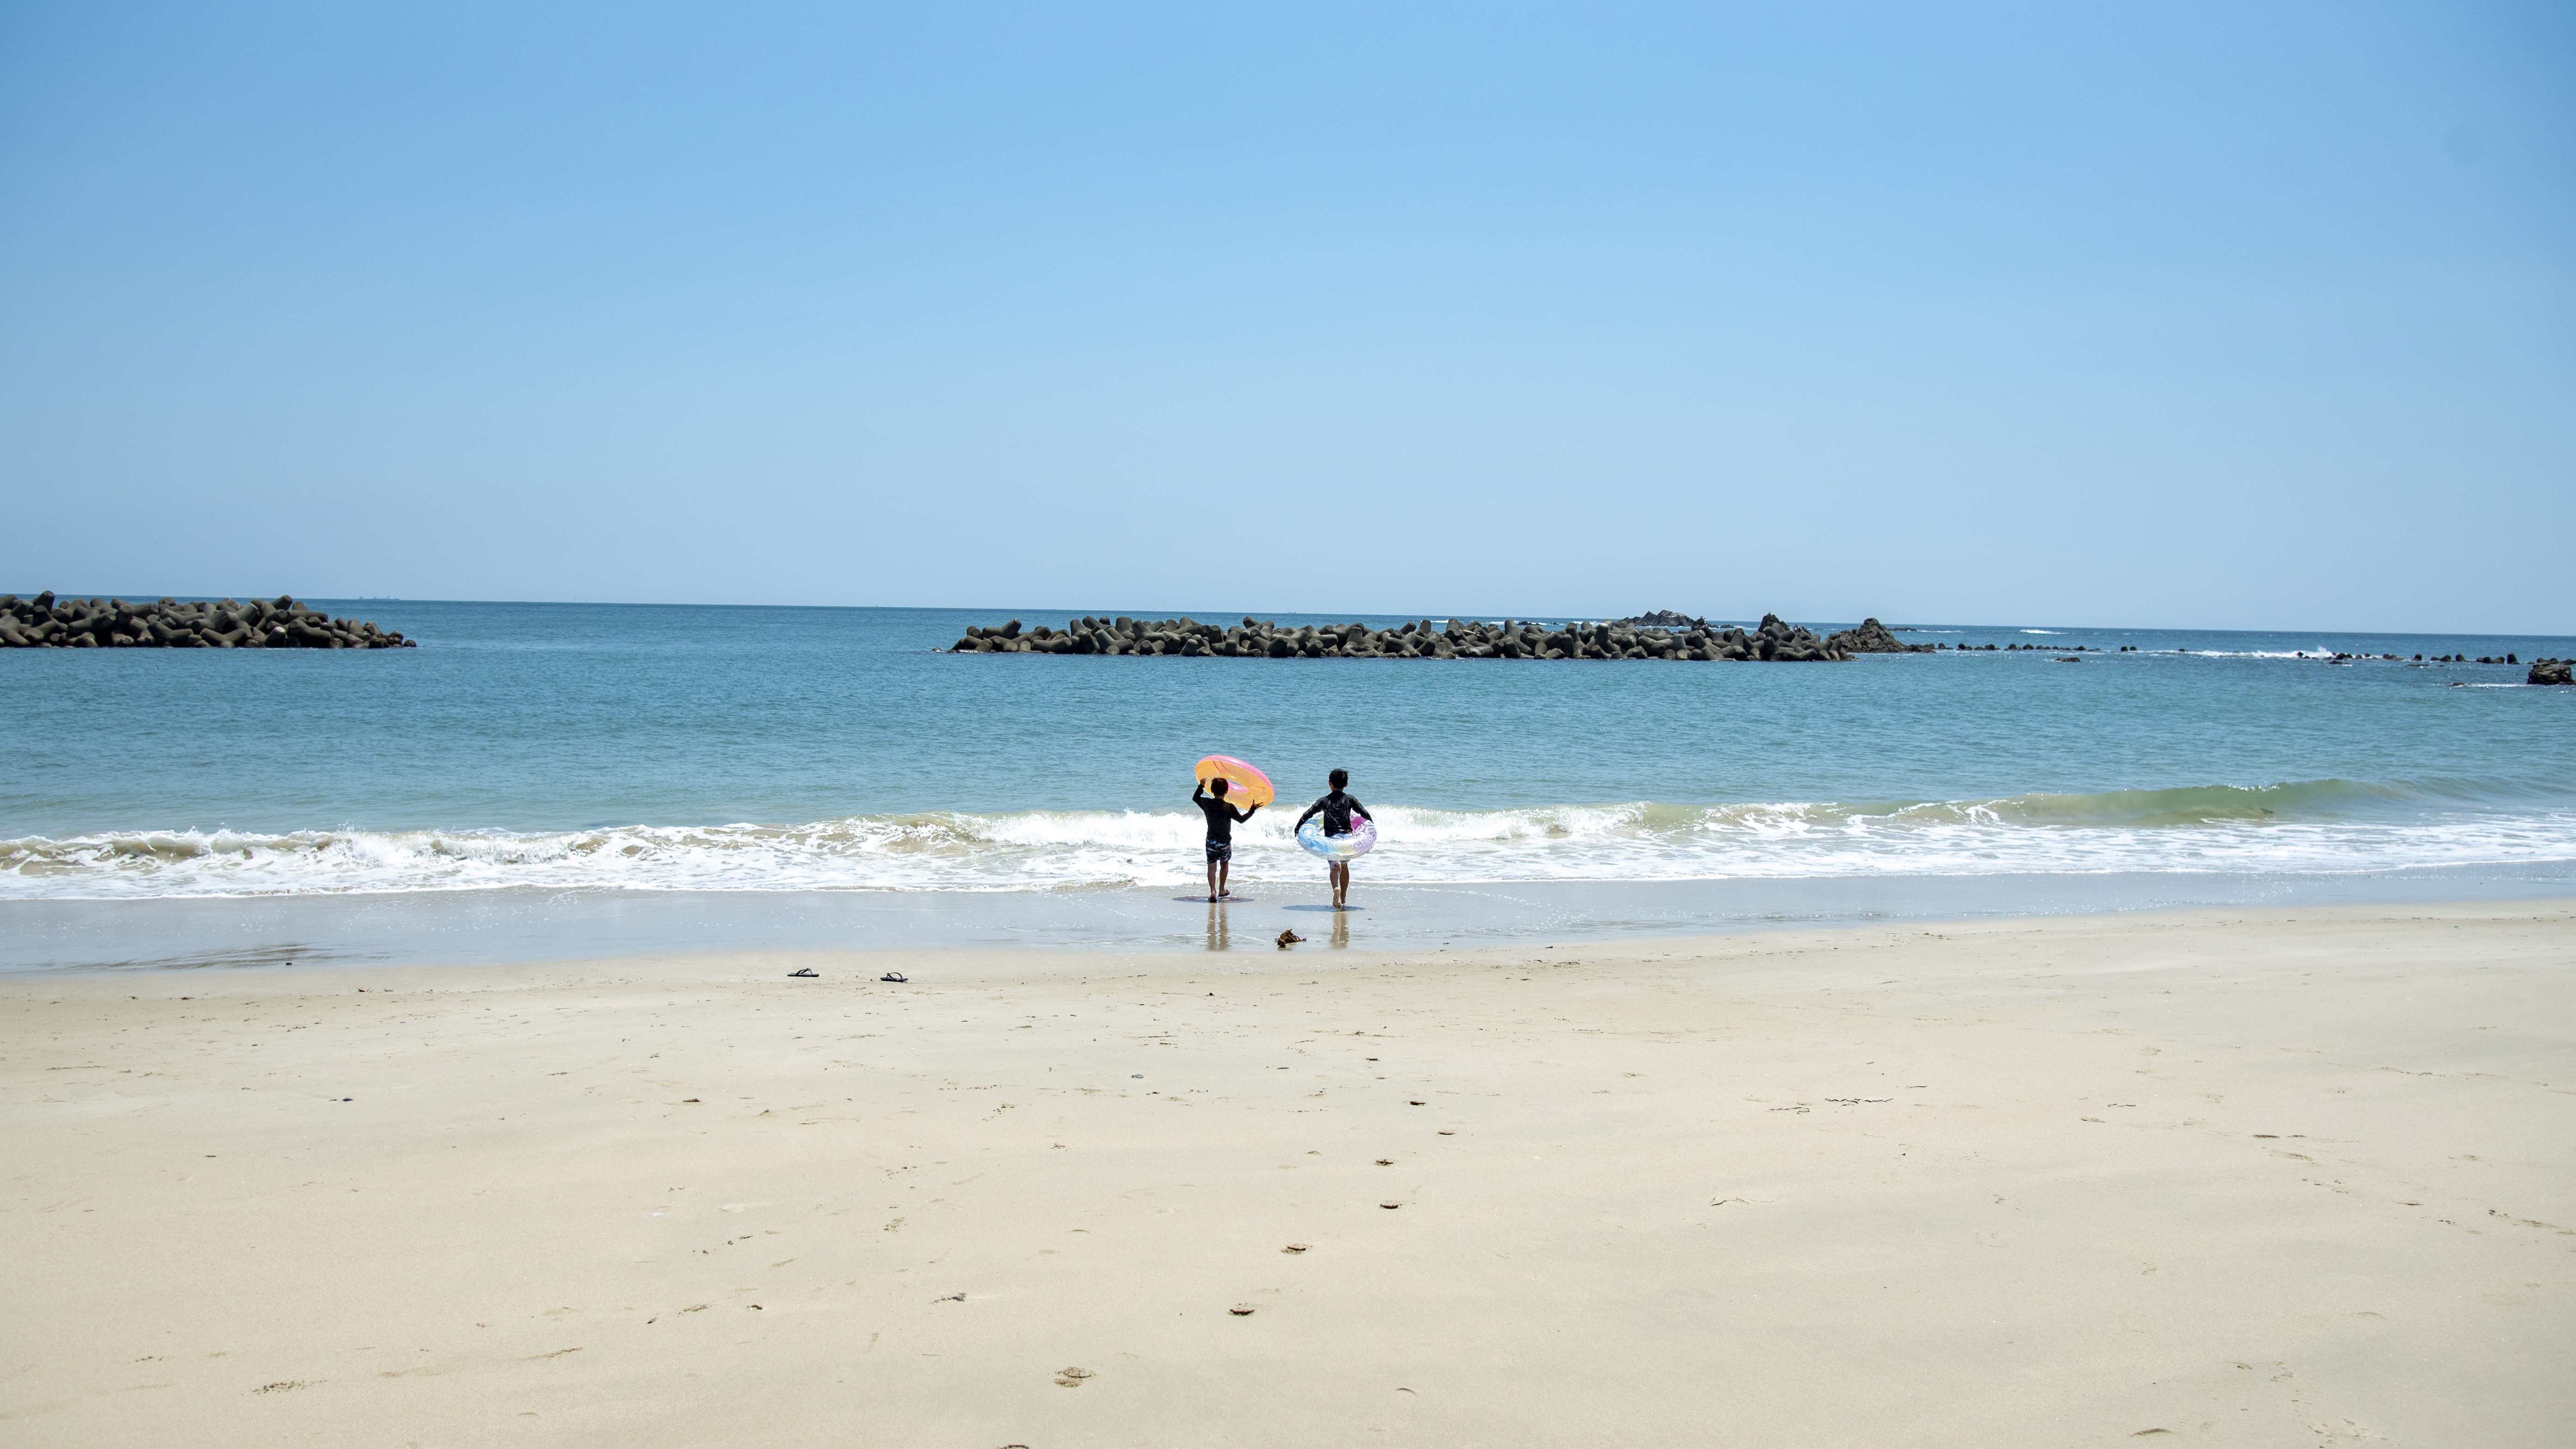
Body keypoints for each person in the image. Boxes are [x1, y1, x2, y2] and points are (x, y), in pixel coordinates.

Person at [1295, 768, 1374, 909]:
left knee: (1334, 867)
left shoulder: (1324, 800)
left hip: (1332, 840)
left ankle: (1336, 889)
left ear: (1329, 783)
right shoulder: (1350, 799)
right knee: (1344, 865)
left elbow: (1308, 813)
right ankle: (1343, 895)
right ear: (1347, 784)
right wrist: (1371, 828)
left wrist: (1297, 828)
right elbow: (1364, 813)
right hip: (1349, 838)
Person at [1193, 775, 1258, 901]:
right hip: (1225, 843)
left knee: (1211, 867)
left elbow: (1195, 798)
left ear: (1211, 790)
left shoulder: (1207, 803)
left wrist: (1201, 786)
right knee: (1224, 864)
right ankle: (1222, 890)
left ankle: (1213, 891)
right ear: (1227, 791)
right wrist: (1253, 809)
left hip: (1211, 841)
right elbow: (1242, 820)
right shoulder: (1229, 807)